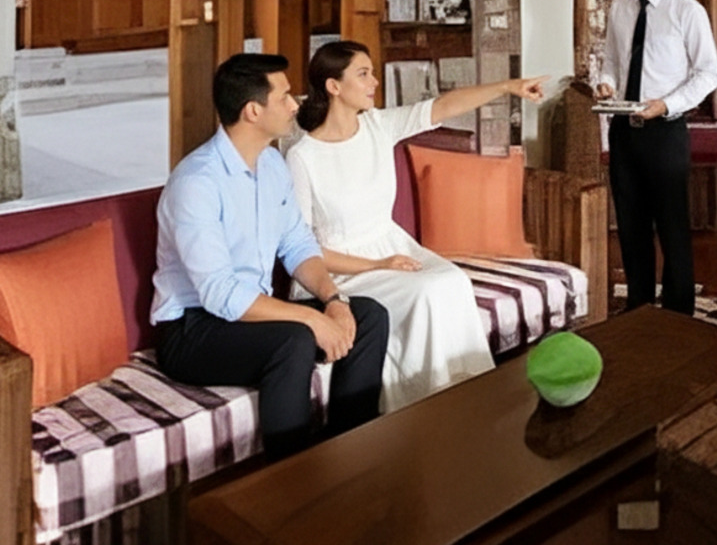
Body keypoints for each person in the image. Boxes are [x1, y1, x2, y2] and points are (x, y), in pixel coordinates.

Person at [150, 53, 389, 461]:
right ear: (253, 111)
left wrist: (334, 302)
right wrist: (311, 317)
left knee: (368, 316)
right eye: (284, 97)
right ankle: (290, 485)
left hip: (246, 317)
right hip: (192, 331)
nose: (296, 104)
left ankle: (352, 458)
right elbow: (220, 295)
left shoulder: (273, 164)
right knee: (293, 339)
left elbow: (297, 245)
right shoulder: (196, 183)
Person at [286, 39, 546, 412]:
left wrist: (508, 86)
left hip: (394, 248)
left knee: (453, 281)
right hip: (341, 271)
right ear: (334, 86)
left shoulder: (377, 126)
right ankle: (424, 410)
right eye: (364, 74)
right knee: (429, 290)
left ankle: (466, 401)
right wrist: (379, 265)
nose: (374, 81)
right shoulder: (303, 156)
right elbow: (303, 248)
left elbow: (442, 106)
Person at [595, 0, 717, 315]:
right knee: (630, 228)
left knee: (672, 228)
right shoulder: (619, 8)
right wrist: (607, 83)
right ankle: (638, 311)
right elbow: (614, 60)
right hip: (624, 131)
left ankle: (679, 316)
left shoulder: (687, 11)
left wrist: (666, 104)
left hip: (665, 132)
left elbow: (708, 73)